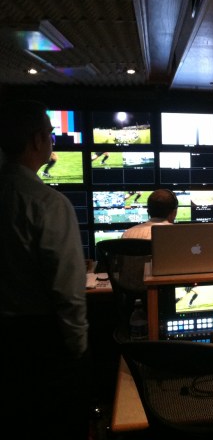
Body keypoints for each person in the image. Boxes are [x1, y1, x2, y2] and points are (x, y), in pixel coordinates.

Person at [0, 100, 91, 439]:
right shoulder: (48, 204)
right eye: (51, 135)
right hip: (41, 344)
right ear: (38, 140)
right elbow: (68, 291)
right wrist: (79, 350)